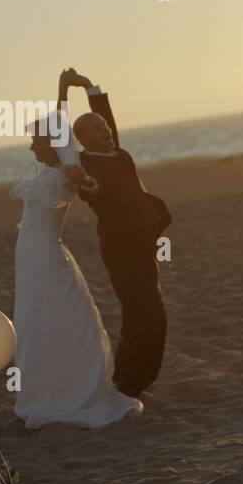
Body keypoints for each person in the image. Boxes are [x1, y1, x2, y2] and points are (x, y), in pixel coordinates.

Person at [10, 98, 142, 429]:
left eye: (36, 141)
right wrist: (64, 87)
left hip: (44, 254)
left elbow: (89, 184)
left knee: (60, 318)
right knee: (37, 318)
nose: (31, 147)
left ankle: (69, 392)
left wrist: (87, 180)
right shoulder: (54, 167)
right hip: (29, 254)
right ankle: (48, 389)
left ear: (53, 143)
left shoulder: (66, 171)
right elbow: (59, 116)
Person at [63, 68, 170, 398]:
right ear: (82, 139)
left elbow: (104, 116)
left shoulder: (118, 152)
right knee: (143, 311)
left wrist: (90, 87)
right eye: (95, 129)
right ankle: (129, 381)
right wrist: (64, 91)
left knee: (149, 310)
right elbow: (92, 188)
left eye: (105, 126)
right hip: (120, 247)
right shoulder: (86, 164)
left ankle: (130, 378)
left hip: (143, 242)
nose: (105, 129)